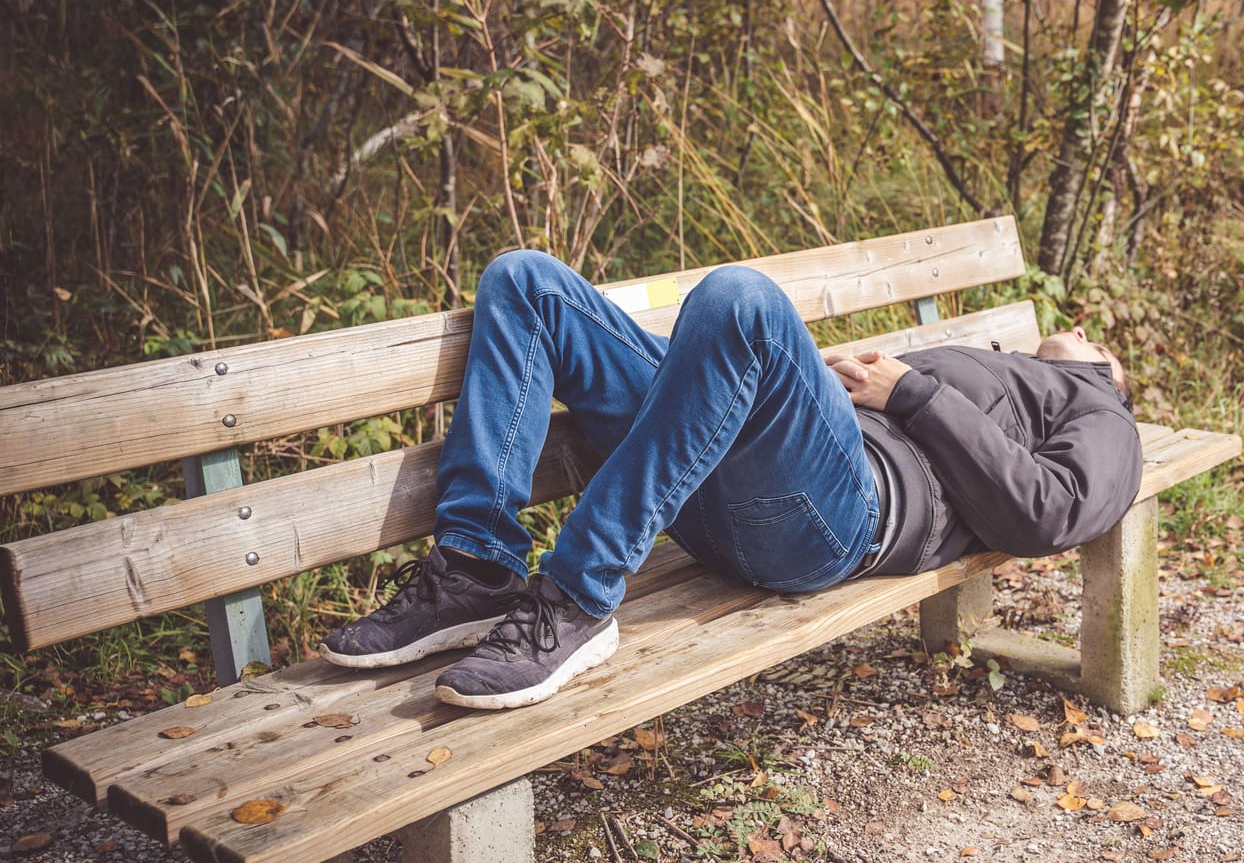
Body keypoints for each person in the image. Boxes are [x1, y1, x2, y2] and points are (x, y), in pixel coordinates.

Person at [320, 249, 1143, 710]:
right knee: (524, 283)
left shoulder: (1101, 413)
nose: (1071, 326)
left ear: (1109, 369)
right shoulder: (1007, 374)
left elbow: (1049, 514)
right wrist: (808, 378)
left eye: (1087, 333)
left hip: (836, 518)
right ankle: (476, 567)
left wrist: (914, 392)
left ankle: (575, 598)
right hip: (747, 477)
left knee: (739, 296)